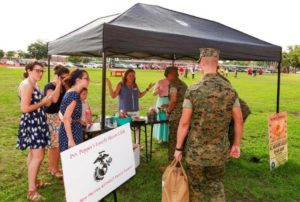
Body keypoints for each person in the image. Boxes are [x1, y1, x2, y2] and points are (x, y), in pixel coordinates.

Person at [174, 48, 243, 201]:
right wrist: (236, 144)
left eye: (199, 63)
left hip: (195, 152)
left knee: (196, 187)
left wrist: (178, 148)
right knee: (216, 185)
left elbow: (184, 123)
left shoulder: (193, 90)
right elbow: (239, 120)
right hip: (219, 151)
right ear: (217, 64)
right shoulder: (230, 90)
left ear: (203, 63)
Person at [17, 61, 52, 201]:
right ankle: (31, 190)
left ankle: (35, 182)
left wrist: (45, 101)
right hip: (33, 123)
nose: (40, 73)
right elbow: (24, 108)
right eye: (37, 70)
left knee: (33, 155)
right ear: (29, 70)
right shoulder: (26, 85)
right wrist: (42, 103)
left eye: (41, 71)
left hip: (36, 121)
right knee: (38, 156)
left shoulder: (34, 83)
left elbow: (38, 104)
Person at [106, 69, 155, 143]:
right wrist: (109, 85)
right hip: (124, 112)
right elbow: (113, 95)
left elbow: (139, 95)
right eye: (130, 75)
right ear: (125, 76)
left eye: (133, 75)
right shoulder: (121, 85)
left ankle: (137, 144)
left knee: (137, 128)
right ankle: (126, 145)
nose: (132, 77)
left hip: (135, 111)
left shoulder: (135, 85)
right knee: (125, 130)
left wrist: (147, 89)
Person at [44, 65, 69, 179]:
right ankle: (53, 169)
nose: (66, 80)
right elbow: (53, 100)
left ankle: (56, 167)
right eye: (63, 78)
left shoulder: (65, 87)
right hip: (51, 117)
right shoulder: (49, 86)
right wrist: (58, 84)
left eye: (67, 77)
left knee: (59, 144)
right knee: (54, 146)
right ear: (58, 77)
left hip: (60, 117)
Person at [59, 69, 90, 152]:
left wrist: (78, 120)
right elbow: (66, 118)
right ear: (78, 80)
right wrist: (71, 140)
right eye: (86, 78)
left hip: (73, 129)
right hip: (71, 132)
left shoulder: (72, 92)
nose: (89, 80)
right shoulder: (74, 95)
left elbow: (69, 114)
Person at [166, 66, 187, 161]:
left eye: (167, 76)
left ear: (170, 75)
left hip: (176, 115)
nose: (167, 79)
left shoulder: (173, 84)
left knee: (174, 140)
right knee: (183, 139)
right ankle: (182, 161)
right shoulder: (183, 84)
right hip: (186, 114)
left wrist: (168, 111)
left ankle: (173, 163)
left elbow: (174, 100)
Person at [152, 70, 170, 143]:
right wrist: (157, 91)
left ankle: (168, 136)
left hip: (170, 100)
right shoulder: (160, 81)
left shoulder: (174, 82)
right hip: (161, 101)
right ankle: (160, 137)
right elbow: (153, 93)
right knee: (161, 118)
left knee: (169, 118)